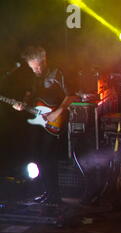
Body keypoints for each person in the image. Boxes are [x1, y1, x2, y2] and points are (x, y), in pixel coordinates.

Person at [12, 46, 77, 204]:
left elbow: (72, 95)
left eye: (39, 66)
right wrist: (23, 104)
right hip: (39, 121)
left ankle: (56, 196)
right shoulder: (33, 78)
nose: (37, 69)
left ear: (44, 60)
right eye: (33, 67)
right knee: (39, 157)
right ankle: (48, 192)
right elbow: (29, 94)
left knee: (49, 157)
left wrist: (58, 112)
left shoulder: (57, 73)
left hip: (54, 120)